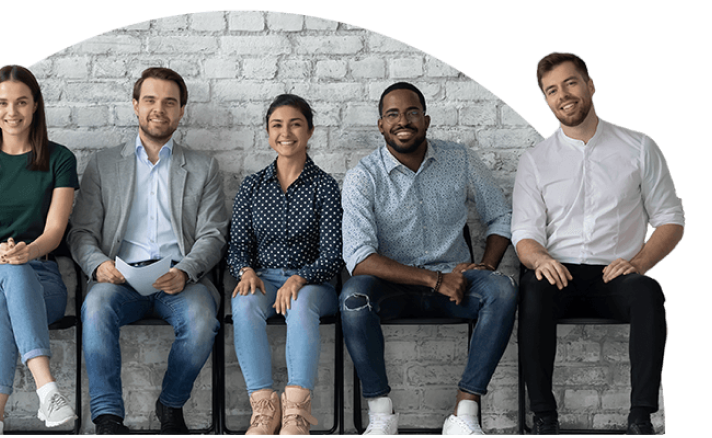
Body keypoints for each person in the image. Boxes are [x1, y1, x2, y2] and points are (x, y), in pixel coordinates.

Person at [512, 52, 682, 435]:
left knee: (647, 292)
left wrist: (638, 263)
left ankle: (640, 418)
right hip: (559, 273)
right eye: (551, 90)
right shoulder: (536, 160)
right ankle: (544, 419)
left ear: (590, 85)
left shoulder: (639, 147)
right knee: (532, 289)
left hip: (615, 273)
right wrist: (539, 259)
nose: (563, 95)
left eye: (570, 83)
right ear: (546, 99)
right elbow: (524, 235)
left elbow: (671, 220)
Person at [340, 82, 517, 435]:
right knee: (352, 297)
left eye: (412, 112)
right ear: (381, 125)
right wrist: (435, 279)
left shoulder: (460, 160)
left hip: (458, 287)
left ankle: (464, 415)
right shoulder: (364, 176)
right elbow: (359, 258)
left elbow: (500, 215)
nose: (402, 120)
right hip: (391, 288)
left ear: (426, 120)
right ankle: (381, 417)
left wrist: (487, 264)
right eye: (392, 114)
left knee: (503, 290)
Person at [68, 67, 228, 435]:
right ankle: (108, 418)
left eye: (170, 102)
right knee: (95, 307)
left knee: (204, 320)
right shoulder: (105, 164)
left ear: (181, 111)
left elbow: (213, 234)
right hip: (120, 277)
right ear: (136, 106)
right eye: (151, 100)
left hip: (180, 278)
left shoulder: (203, 167)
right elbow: (81, 232)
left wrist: (186, 271)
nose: (160, 109)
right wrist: (99, 266)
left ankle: (170, 405)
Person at [0, 64, 78, 435]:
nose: (12, 112)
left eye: (22, 102)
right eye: (3, 103)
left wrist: (27, 252)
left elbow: (55, 232)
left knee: (0, 301)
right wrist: (6, 256)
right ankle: (47, 388)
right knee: (6, 278)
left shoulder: (60, 160)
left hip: (43, 281)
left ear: (36, 105)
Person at [228, 94, 344, 435]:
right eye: (277, 125)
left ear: (309, 131)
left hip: (314, 285)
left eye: (295, 124)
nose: (286, 132)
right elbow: (236, 247)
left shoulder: (324, 187)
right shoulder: (251, 186)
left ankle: (296, 414)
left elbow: (334, 254)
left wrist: (301, 278)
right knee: (244, 303)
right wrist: (245, 270)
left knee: (301, 301)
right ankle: (265, 411)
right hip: (263, 279)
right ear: (267, 133)